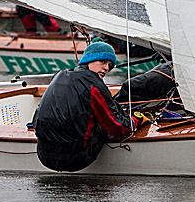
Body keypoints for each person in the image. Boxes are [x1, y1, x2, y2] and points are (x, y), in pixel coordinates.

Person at [30, 38, 137, 172]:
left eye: (110, 65)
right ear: (89, 60)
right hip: (76, 158)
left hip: (43, 155)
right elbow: (117, 127)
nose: (106, 68)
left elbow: (38, 116)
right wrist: (135, 120)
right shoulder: (95, 85)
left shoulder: (59, 75)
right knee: (103, 123)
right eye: (103, 62)